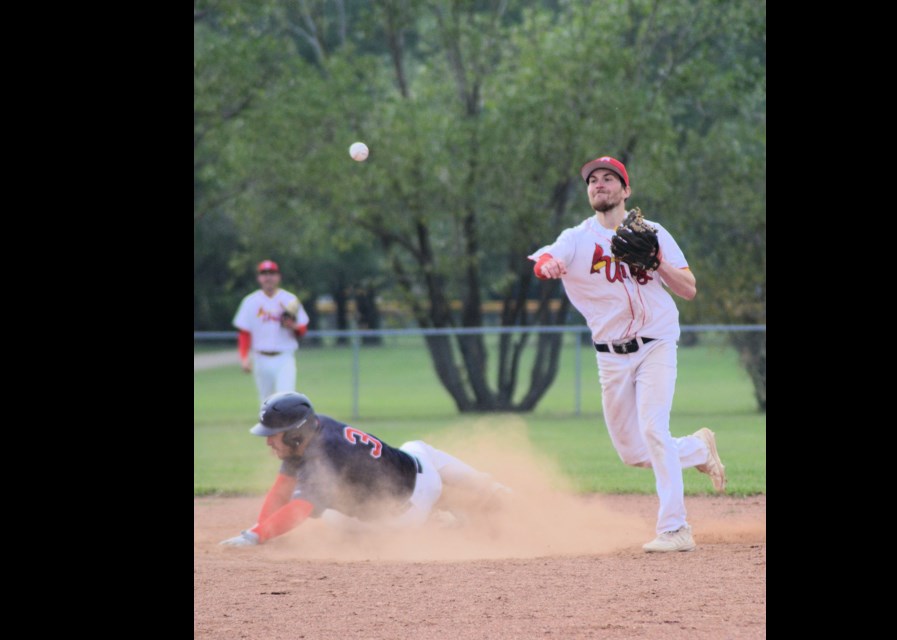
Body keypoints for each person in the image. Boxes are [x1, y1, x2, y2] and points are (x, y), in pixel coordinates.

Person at [528, 156, 726, 553]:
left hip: (656, 341)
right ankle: (700, 448)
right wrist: (548, 267)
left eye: (608, 179)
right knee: (634, 453)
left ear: (626, 190)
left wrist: (656, 262)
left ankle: (676, 528)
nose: (599, 185)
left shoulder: (652, 232)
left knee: (653, 429)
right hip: (611, 356)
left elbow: (688, 288)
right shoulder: (577, 238)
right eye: (593, 181)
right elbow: (548, 258)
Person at [220, 391, 511, 546]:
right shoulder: (312, 431)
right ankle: (487, 488)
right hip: (410, 484)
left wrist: (256, 537)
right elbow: (281, 489)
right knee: (419, 449)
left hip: (407, 510)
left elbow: (297, 510)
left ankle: (450, 520)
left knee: (336, 520)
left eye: (274, 433)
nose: (268, 440)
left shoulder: (326, 456)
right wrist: (258, 531)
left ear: (295, 434)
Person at [232, 260, 310, 404]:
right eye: (264, 273)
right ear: (259, 278)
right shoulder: (250, 301)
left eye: (272, 273)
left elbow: (302, 330)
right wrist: (244, 357)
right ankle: (269, 427)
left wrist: (291, 326)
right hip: (261, 358)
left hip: (284, 357)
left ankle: (286, 427)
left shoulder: (289, 299)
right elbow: (244, 333)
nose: (268, 277)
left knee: (286, 400)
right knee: (266, 403)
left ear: (278, 277)